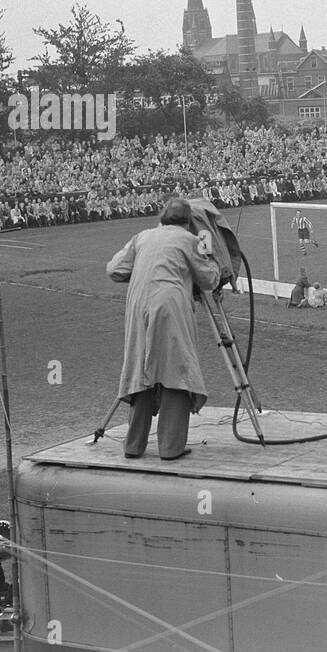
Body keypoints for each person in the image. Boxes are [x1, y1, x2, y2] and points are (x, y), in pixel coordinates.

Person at [107, 196, 222, 461]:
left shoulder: (143, 237)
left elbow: (114, 269)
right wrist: (212, 259)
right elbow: (208, 279)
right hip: (169, 305)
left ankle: (133, 444)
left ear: (162, 217)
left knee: (141, 367)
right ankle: (171, 446)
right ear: (187, 221)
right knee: (176, 369)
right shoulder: (189, 239)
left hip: (137, 304)